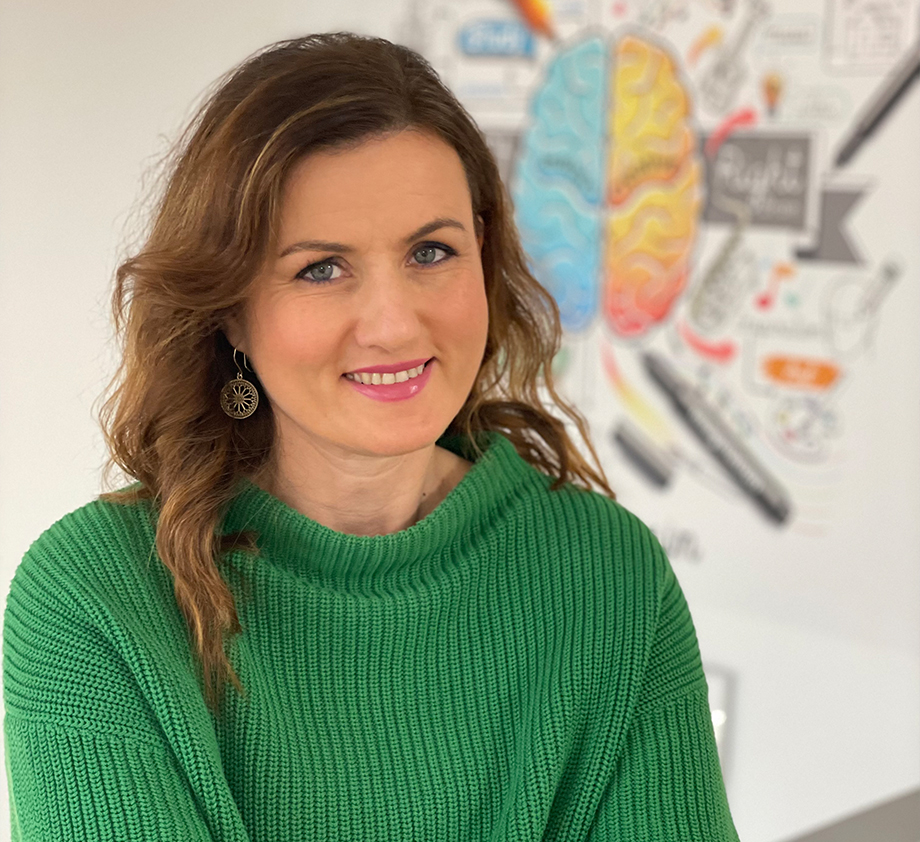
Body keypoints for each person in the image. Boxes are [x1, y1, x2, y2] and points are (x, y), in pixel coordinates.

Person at [2, 32, 740, 841]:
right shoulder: (95, 599)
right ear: (230, 311)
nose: (395, 324)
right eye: (321, 268)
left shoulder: (609, 576)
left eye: (431, 251)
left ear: (483, 256)